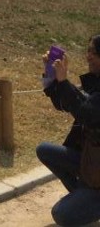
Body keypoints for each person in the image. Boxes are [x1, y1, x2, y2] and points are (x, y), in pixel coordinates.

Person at [37, 36, 100, 227]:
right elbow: (66, 103)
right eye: (88, 50)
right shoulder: (95, 83)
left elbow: (86, 113)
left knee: (61, 215)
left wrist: (64, 81)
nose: (88, 56)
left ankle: (89, 199)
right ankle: (83, 196)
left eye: (94, 52)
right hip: (91, 163)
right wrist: (52, 77)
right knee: (45, 151)